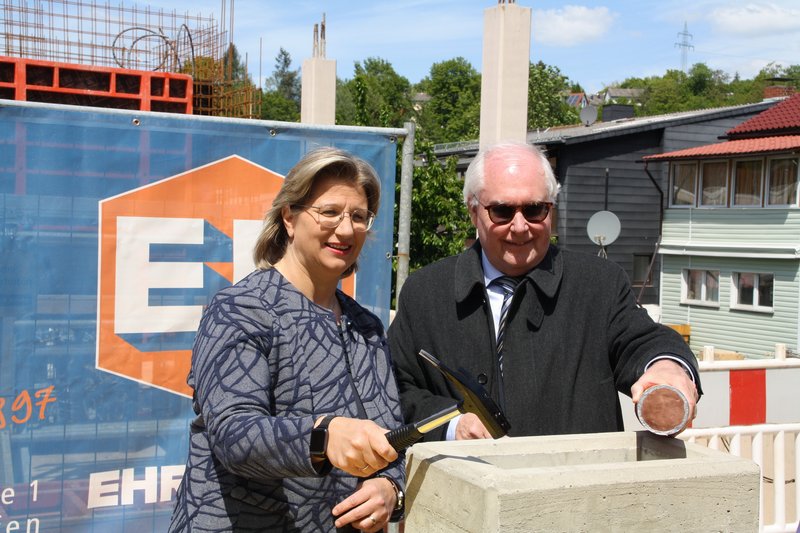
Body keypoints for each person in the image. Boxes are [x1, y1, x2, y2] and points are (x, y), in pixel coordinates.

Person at [389, 141, 701, 441]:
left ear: (551, 210)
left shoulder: (599, 285)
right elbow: (396, 388)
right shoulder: (425, 293)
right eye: (502, 211)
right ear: (473, 212)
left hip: (572, 478)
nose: (520, 226)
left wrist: (667, 368)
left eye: (535, 209)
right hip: (466, 476)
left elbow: (642, 340)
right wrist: (452, 424)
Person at [169, 147, 405, 532]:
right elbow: (234, 435)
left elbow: (390, 437)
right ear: (289, 218)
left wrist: (389, 487)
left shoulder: (367, 327)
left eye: (358, 216)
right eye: (329, 212)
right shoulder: (241, 309)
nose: (346, 230)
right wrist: (323, 436)